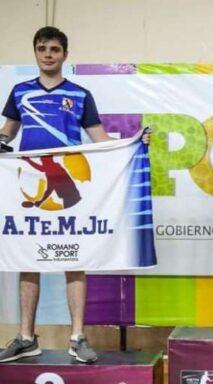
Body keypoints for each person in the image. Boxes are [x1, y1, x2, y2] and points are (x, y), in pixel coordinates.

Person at [0, 26, 149, 364]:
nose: (48, 54)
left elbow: (99, 139)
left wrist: (134, 143)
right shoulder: (19, 92)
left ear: (65, 54)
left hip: (69, 186)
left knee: (74, 259)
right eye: (42, 48)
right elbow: (6, 134)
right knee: (27, 258)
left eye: (54, 48)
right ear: (35, 53)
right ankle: (26, 338)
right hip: (28, 184)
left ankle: (77, 337)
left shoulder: (80, 95)